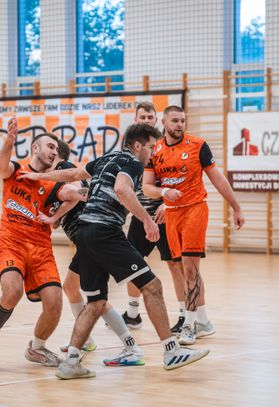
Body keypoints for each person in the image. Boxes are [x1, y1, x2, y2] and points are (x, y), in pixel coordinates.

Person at [21, 123, 209, 380]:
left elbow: (72, 174)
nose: (153, 153)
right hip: (105, 231)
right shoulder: (133, 163)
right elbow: (122, 189)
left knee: (96, 302)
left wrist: (37, 177)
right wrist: (147, 220)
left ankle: (72, 361)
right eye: (151, 147)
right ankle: (171, 350)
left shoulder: (106, 158)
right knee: (152, 286)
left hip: (84, 233)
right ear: (138, 145)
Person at [0, 117, 82, 369]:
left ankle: (37, 348)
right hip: (12, 243)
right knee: (12, 291)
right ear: (35, 148)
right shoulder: (16, 171)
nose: (54, 152)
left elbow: (72, 194)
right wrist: (9, 140)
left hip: (41, 249)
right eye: (50, 147)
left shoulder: (52, 182)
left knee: (54, 302)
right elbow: (1, 165)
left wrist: (86, 190)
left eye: (56, 149)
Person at [143, 105, 245, 346]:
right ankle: (204, 321)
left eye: (182, 120)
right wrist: (164, 192)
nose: (180, 124)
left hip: (195, 209)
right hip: (172, 213)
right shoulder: (155, 150)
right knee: (184, 269)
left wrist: (236, 207)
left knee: (189, 267)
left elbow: (218, 178)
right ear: (164, 123)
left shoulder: (198, 145)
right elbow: (147, 187)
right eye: (175, 121)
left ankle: (189, 325)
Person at [39, 139, 145, 366]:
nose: (49, 155)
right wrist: (52, 217)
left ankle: (130, 346)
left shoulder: (63, 167)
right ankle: (86, 339)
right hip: (83, 238)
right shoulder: (54, 184)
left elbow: (80, 193)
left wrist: (53, 216)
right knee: (73, 288)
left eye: (52, 149)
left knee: (97, 299)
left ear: (57, 155)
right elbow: (57, 221)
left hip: (90, 236)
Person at [123, 102, 187, 333]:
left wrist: (167, 205)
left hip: (164, 215)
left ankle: (184, 316)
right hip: (141, 217)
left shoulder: (163, 144)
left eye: (150, 117)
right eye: (142, 117)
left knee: (175, 265)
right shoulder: (130, 146)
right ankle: (132, 314)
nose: (146, 120)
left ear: (156, 120)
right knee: (132, 263)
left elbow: (180, 179)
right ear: (135, 119)